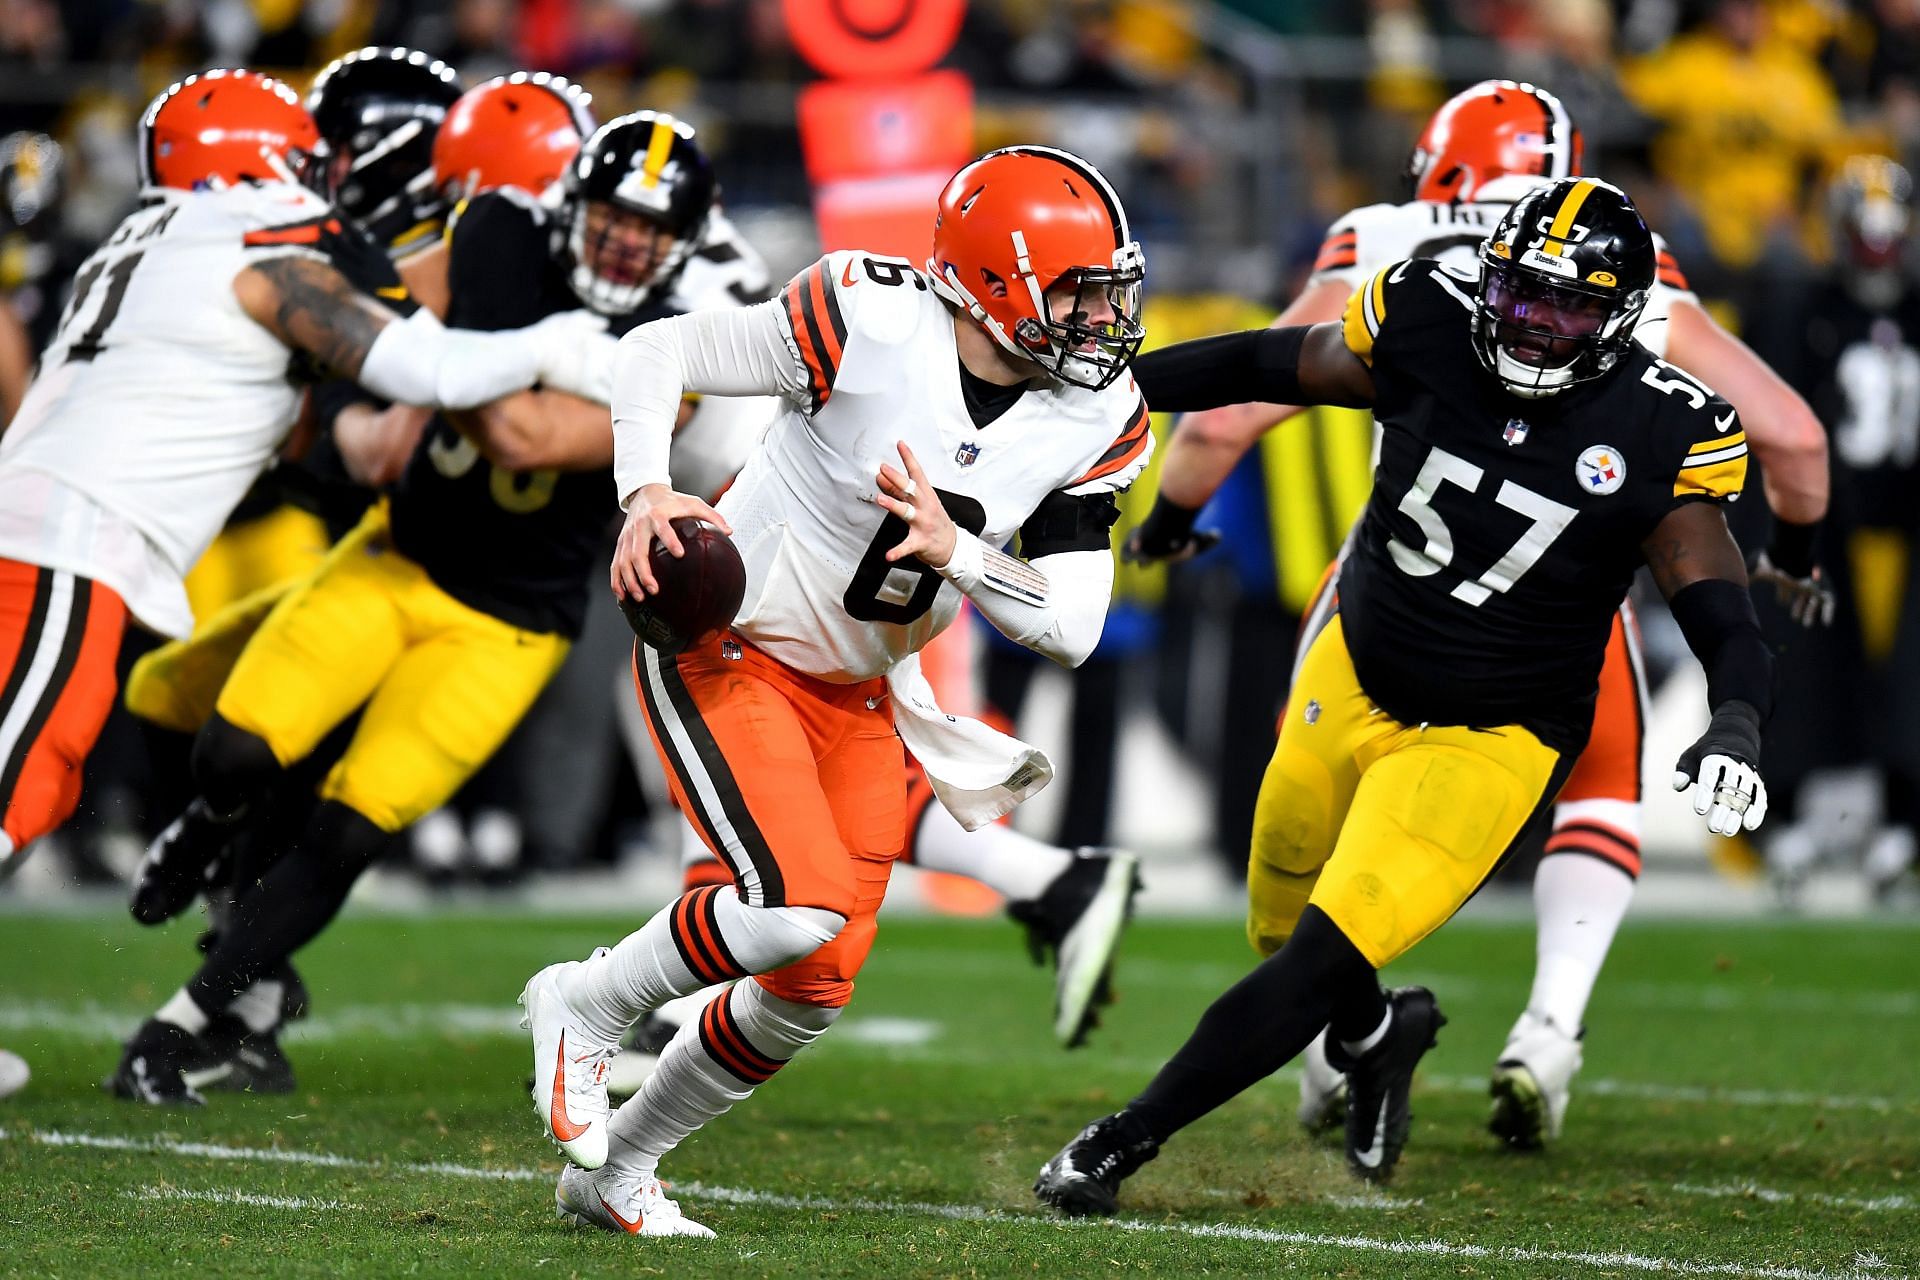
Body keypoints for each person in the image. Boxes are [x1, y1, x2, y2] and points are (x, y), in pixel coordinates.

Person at [1036, 177, 1773, 1212]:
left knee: (1317, 954)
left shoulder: (1662, 428)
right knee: (1276, 916)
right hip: (1359, 665)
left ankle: (1117, 1142)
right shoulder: (1427, 313)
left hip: (1492, 734)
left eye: (1569, 306)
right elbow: (1261, 363)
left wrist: (1735, 720)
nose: (1538, 323)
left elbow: (1726, 618)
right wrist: (1091, 402)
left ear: (1617, 319)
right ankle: (1381, 1033)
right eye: (1522, 294)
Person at [521, 144, 1154, 1238]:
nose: (1101, 319)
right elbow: (658, 348)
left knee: (812, 982)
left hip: (857, 690)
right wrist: (645, 493)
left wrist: (960, 552)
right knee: (794, 904)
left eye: (1109, 292)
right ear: (997, 281)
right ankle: (585, 999)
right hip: (732, 648)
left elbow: (1071, 625)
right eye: (1077, 291)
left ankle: (618, 1169)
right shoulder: (867, 317)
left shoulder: (1094, 415)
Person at [104, 112, 743, 1105]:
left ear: (683, 244)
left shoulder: (679, 346)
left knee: (350, 829)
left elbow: (523, 437)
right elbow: (383, 315)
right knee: (234, 748)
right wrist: (398, 389)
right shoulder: (495, 233)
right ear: (573, 202)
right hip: (398, 556)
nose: (626, 241)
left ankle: (187, 1020)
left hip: (507, 625)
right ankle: (209, 820)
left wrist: (456, 364)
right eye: (614, 215)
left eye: (651, 230)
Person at [0, 69, 603, 879]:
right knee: (18, 791)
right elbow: (429, 373)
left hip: (48, 532)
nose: (323, 180)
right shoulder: (265, 239)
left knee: (42, 783)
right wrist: (569, 348)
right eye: (306, 162)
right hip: (58, 549)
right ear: (257, 169)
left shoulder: (148, 241)